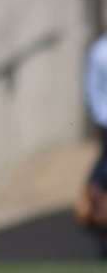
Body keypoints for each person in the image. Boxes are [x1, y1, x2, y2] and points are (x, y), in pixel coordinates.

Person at [75, 34, 107, 258]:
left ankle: (92, 195)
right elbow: (93, 88)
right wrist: (98, 118)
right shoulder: (100, 51)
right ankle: (91, 198)